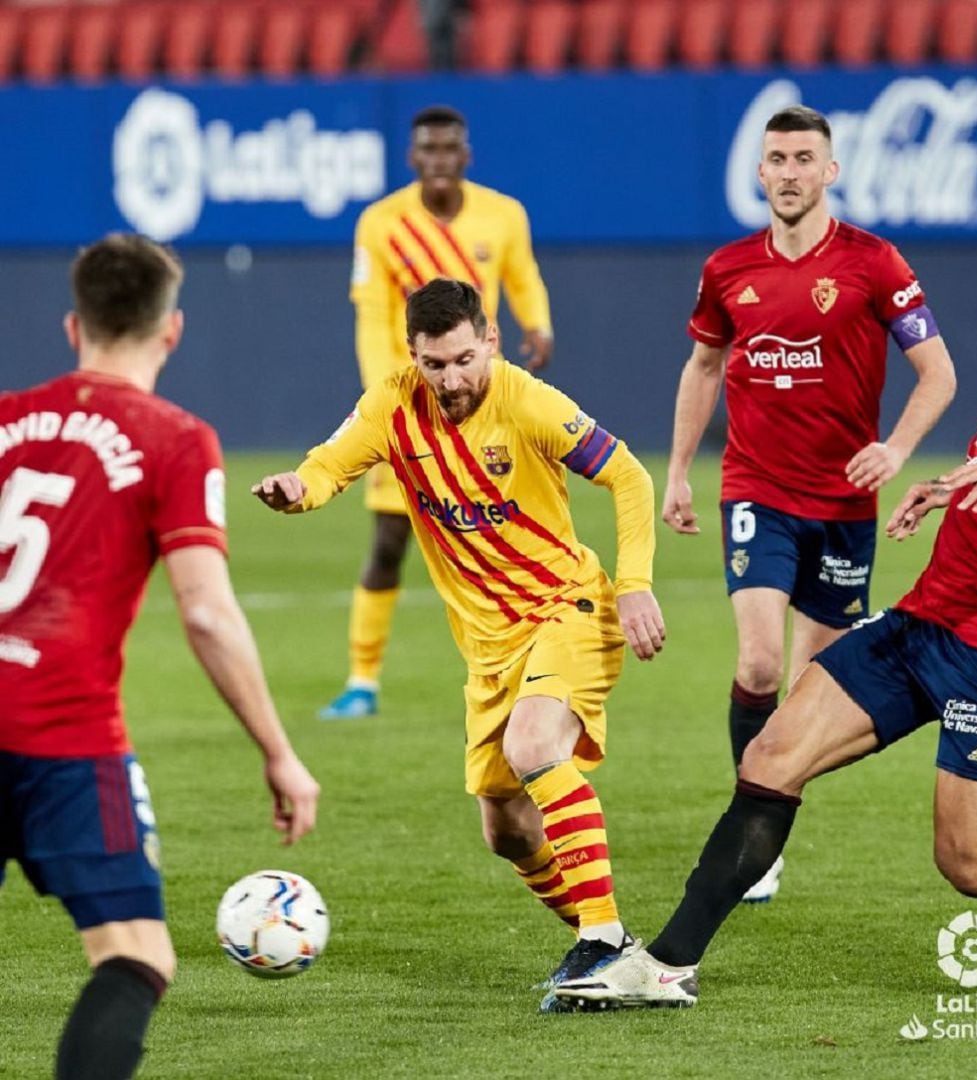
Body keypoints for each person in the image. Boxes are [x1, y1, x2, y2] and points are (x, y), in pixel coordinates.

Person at [553, 175, 977, 1011]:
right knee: (771, 756)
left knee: (973, 868)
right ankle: (665, 966)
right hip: (924, 621)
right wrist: (955, 484)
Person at [254, 277, 662, 1011]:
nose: (452, 379)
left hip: (567, 607)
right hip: (489, 647)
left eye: (465, 360)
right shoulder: (391, 405)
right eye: (434, 365)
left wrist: (634, 583)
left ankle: (601, 943)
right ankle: (619, 948)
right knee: (506, 830)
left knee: (536, 747)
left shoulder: (529, 400)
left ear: (492, 342)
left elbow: (628, 475)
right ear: (412, 355)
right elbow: (330, 463)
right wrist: (299, 489)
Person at [0, 234, 321, 1077]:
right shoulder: (173, 437)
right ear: (171, 331)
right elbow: (208, 613)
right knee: (135, 955)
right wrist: (280, 753)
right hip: (62, 735)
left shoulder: (4, 419)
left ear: (74, 326)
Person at [662, 104, 956, 902]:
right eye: (776, 159)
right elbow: (702, 366)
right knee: (757, 661)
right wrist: (681, 470)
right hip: (756, 487)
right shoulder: (727, 269)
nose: (788, 173)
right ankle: (747, 835)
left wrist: (895, 448)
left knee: (809, 691)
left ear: (830, 172)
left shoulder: (875, 263)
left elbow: (940, 373)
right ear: (759, 173)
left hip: (843, 505)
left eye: (803, 159)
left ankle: (768, 822)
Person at [323, 104, 554, 721]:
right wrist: (388, 392)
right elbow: (372, 312)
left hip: (485, 404)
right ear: (413, 158)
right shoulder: (382, 223)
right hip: (412, 407)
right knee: (390, 539)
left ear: (466, 155)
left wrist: (539, 322)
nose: (440, 159)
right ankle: (361, 682)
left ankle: (522, 662)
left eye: (450, 148)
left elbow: (522, 273)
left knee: (505, 531)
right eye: (428, 149)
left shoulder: (504, 215)